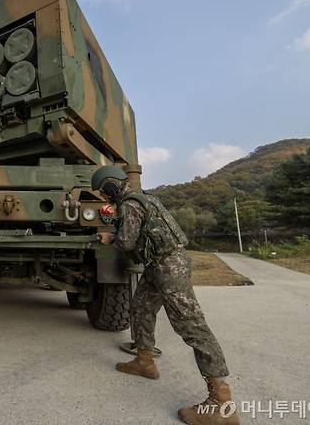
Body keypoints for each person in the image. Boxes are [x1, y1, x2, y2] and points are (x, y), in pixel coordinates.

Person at [92, 166, 239, 425]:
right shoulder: (145, 198)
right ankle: (144, 361)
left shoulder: (129, 204)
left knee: (191, 325)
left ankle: (221, 404)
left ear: (111, 188)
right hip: (157, 264)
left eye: (103, 193)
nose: (104, 199)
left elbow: (126, 242)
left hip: (168, 265)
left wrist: (109, 237)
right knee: (141, 306)